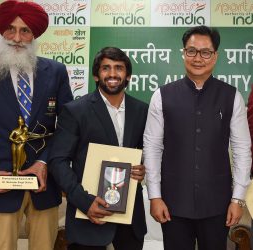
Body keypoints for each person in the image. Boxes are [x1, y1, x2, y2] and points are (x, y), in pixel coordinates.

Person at [0, 1, 73, 250]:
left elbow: (67, 126)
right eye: (11, 29)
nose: (17, 38)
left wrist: (43, 162)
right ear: (1, 31)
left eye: (25, 31)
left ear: (35, 35)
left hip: (44, 183)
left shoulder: (56, 71)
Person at [143, 25, 252, 250]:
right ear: (183, 53)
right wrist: (155, 196)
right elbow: (152, 148)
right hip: (172, 203)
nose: (198, 58)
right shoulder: (161, 96)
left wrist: (237, 199)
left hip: (218, 204)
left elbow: (242, 150)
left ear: (215, 56)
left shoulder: (232, 96)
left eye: (206, 52)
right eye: (192, 51)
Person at [49, 47, 148, 250]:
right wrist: (84, 201)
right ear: (96, 75)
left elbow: (146, 152)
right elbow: (57, 161)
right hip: (87, 216)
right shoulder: (75, 110)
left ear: (128, 75)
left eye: (119, 68)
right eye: (106, 68)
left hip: (130, 219)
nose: (112, 74)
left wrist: (143, 167)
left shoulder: (142, 110)